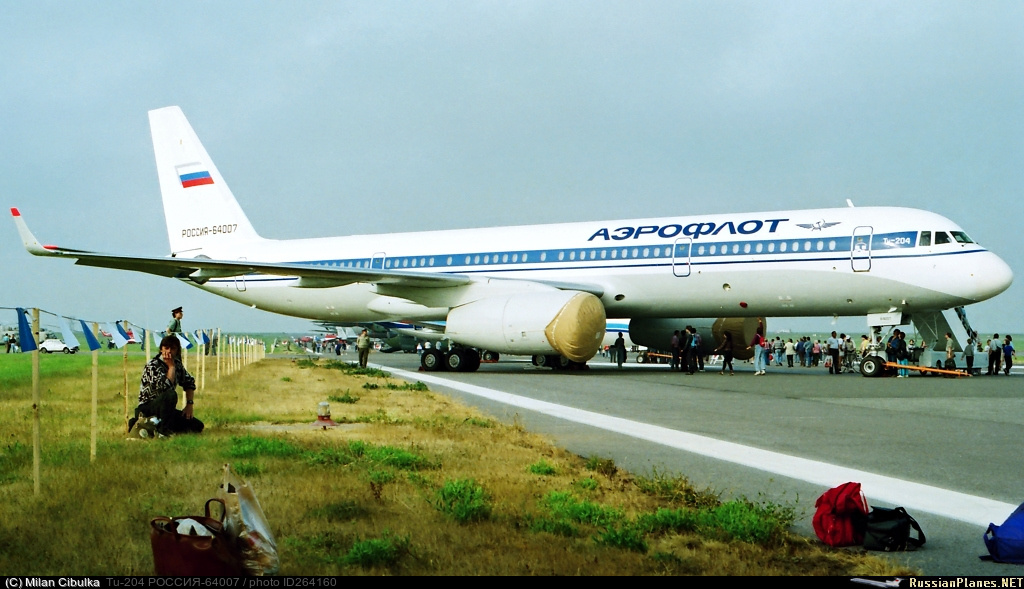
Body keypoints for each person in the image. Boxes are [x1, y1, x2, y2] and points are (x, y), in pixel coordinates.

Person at [130, 335, 203, 436]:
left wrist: (189, 404)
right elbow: (164, 388)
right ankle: (162, 430)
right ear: (161, 349)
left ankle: (154, 424)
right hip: (149, 406)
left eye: (172, 348)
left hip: (166, 410)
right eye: (166, 348)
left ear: (177, 351)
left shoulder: (177, 364)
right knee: (171, 395)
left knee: (197, 426)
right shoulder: (152, 365)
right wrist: (171, 367)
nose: (169, 351)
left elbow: (189, 382)